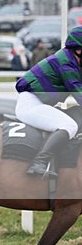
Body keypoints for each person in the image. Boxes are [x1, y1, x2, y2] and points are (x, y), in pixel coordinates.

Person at [15, 26, 82, 178]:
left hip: (39, 102)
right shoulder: (67, 64)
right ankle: (39, 163)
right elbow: (78, 92)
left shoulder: (72, 61)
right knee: (69, 125)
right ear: (78, 50)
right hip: (32, 105)